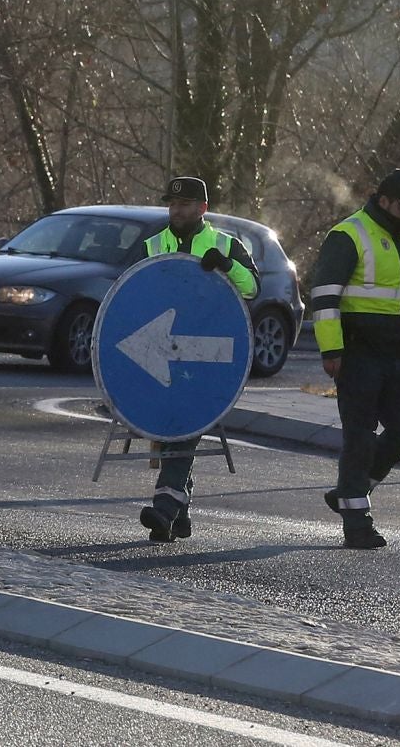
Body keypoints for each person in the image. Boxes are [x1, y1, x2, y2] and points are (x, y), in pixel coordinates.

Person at [310, 168, 400, 550]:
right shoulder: (348, 234)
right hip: (358, 353)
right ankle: (356, 522)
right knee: (359, 438)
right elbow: (325, 296)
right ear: (383, 201)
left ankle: (352, 490)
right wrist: (331, 351)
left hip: (396, 353)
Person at [135, 175, 259, 543]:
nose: (177, 210)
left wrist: (227, 266)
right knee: (176, 426)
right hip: (160, 352)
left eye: (186, 204)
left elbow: (252, 287)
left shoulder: (224, 243)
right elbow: (129, 293)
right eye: (173, 204)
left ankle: (164, 507)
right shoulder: (152, 245)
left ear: (203, 208)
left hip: (206, 352)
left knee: (184, 424)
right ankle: (180, 515)